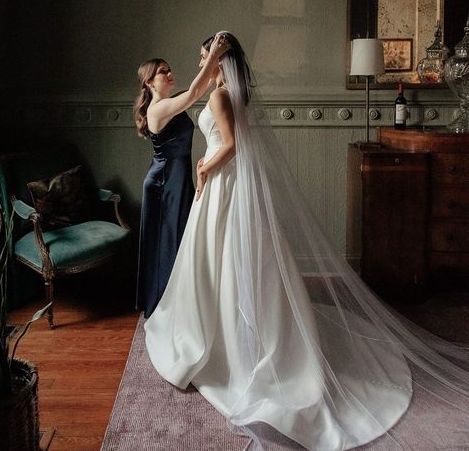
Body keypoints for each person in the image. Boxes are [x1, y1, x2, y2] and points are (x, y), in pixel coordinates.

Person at [144, 31, 469, 450]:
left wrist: (205, 168)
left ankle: (226, 338)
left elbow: (234, 145)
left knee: (223, 259)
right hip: (226, 184)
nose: (198, 62)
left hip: (223, 182)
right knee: (222, 259)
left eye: (204, 55)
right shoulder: (226, 93)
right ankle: (232, 322)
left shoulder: (221, 97)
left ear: (219, 60)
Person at [134, 34, 230, 318]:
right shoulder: (157, 109)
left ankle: (179, 302)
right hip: (163, 183)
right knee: (167, 242)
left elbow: (193, 94)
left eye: (169, 68)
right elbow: (194, 93)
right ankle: (164, 305)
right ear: (149, 82)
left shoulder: (171, 102)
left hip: (177, 179)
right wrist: (213, 55)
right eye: (162, 71)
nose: (169, 73)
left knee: (178, 239)